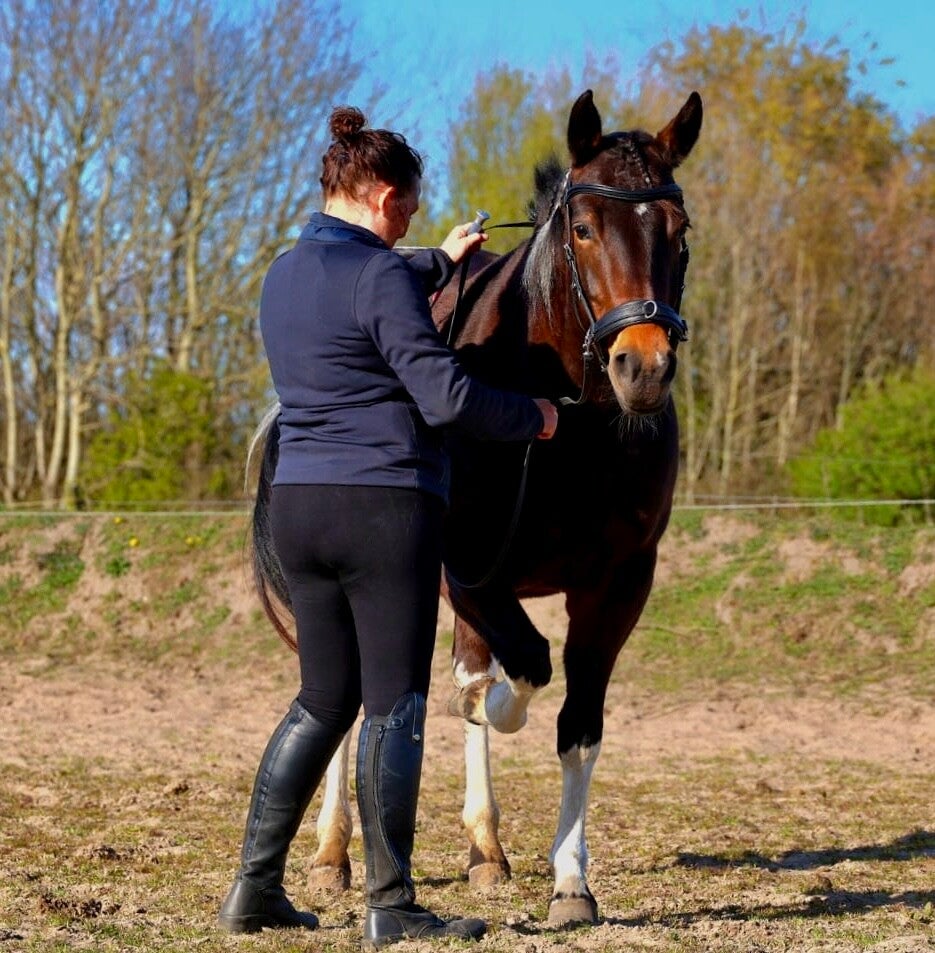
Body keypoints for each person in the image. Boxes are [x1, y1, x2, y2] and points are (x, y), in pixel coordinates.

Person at [218, 106, 558, 948]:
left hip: (299, 504)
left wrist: (443, 256)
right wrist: (537, 417)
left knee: (320, 700)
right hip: (385, 509)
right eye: (404, 207)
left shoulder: (284, 272)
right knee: (394, 705)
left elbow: (376, 278)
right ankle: (392, 902)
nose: (407, 219)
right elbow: (445, 396)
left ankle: (254, 887)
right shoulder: (379, 278)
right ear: (376, 193)